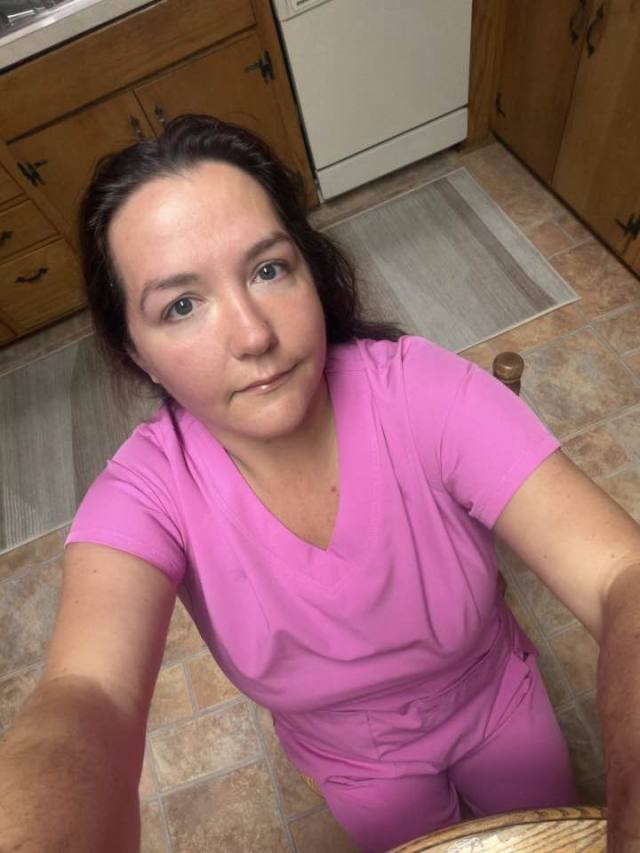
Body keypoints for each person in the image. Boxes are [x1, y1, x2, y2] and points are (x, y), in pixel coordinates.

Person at [1, 114, 639, 853]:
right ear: (136, 352)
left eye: (269, 269)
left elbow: (619, 572)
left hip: (496, 701)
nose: (253, 335)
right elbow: (88, 696)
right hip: (356, 763)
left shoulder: (420, 390)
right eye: (181, 305)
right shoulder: (145, 497)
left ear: (310, 269)